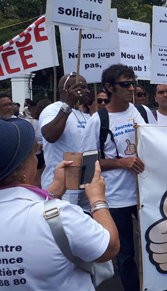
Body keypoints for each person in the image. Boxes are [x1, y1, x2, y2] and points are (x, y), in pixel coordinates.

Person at [0, 117, 119, 291]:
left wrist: (53, 193)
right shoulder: (59, 215)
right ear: (25, 167)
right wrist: (97, 198)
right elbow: (109, 247)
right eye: (33, 154)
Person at [81, 64, 147, 291]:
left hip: (146, 193)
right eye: (125, 84)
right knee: (125, 253)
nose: (131, 88)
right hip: (116, 198)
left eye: (133, 82)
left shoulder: (143, 112)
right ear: (109, 87)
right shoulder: (98, 120)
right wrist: (121, 162)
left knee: (154, 245)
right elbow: (87, 164)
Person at [40, 74, 91, 207]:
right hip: (62, 184)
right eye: (84, 87)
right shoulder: (52, 109)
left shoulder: (83, 115)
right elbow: (50, 135)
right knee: (63, 225)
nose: (88, 91)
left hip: (84, 181)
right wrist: (68, 104)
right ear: (69, 88)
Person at [31, 99, 52, 186]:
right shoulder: (33, 123)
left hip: (47, 151)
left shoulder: (50, 121)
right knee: (37, 177)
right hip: (38, 152)